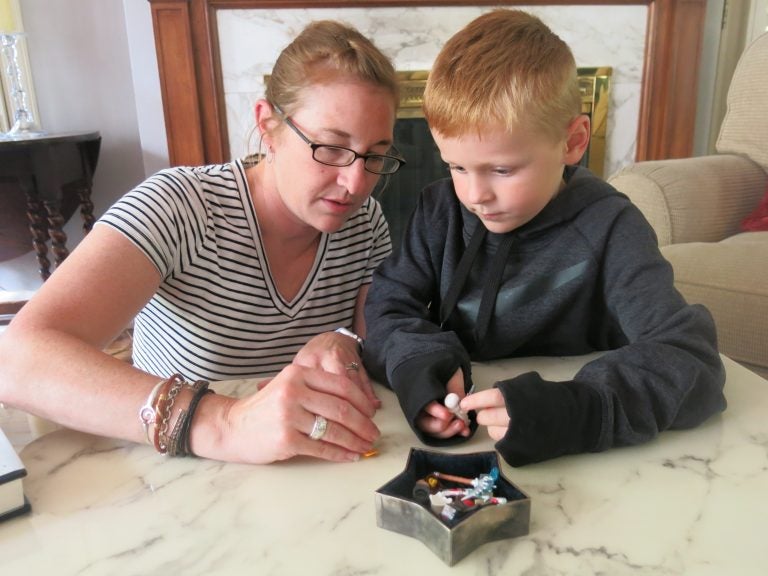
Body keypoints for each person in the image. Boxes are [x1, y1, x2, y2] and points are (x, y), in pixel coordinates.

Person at [0, 20, 406, 465]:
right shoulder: (178, 206)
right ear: (267, 125)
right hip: (177, 482)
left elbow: (378, 337)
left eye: (376, 155)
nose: (355, 182)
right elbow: (17, 360)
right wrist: (224, 423)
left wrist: (344, 339)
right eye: (330, 147)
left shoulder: (365, 221)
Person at [362, 9, 726, 466]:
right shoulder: (439, 209)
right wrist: (422, 369)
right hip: (470, 446)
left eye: (502, 169)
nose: (475, 195)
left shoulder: (611, 226)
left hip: (589, 461)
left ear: (573, 142)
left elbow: (691, 360)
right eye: (455, 166)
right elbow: (389, 305)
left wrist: (573, 410)